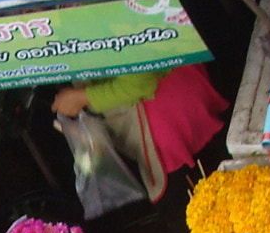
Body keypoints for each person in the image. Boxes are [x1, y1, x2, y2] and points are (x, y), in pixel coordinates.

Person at [52, 63, 227, 201]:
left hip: (165, 119)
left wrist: (82, 98)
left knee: (201, 207)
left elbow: (140, 81)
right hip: (180, 98)